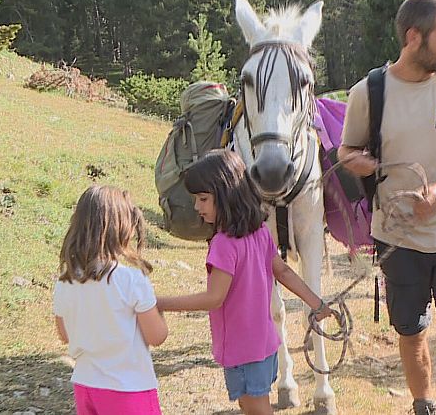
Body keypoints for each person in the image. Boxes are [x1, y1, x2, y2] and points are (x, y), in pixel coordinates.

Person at [338, 0, 436, 415]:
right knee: (410, 331)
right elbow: (345, 151)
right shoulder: (368, 92)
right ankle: (423, 403)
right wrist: (363, 163)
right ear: (413, 36)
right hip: (397, 238)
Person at [156, 149, 332, 415]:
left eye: (203, 199)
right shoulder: (260, 231)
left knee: (256, 409)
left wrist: (161, 303)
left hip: (243, 350)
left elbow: (214, 297)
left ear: (225, 194)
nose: (197, 207)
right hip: (266, 344)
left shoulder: (224, 244)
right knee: (253, 405)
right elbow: (283, 272)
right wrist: (316, 303)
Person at [53, 185, 168, 415]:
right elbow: (157, 336)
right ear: (123, 228)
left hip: (86, 385)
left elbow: (64, 334)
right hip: (128, 388)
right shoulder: (131, 279)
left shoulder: (64, 282)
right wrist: (158, 311)